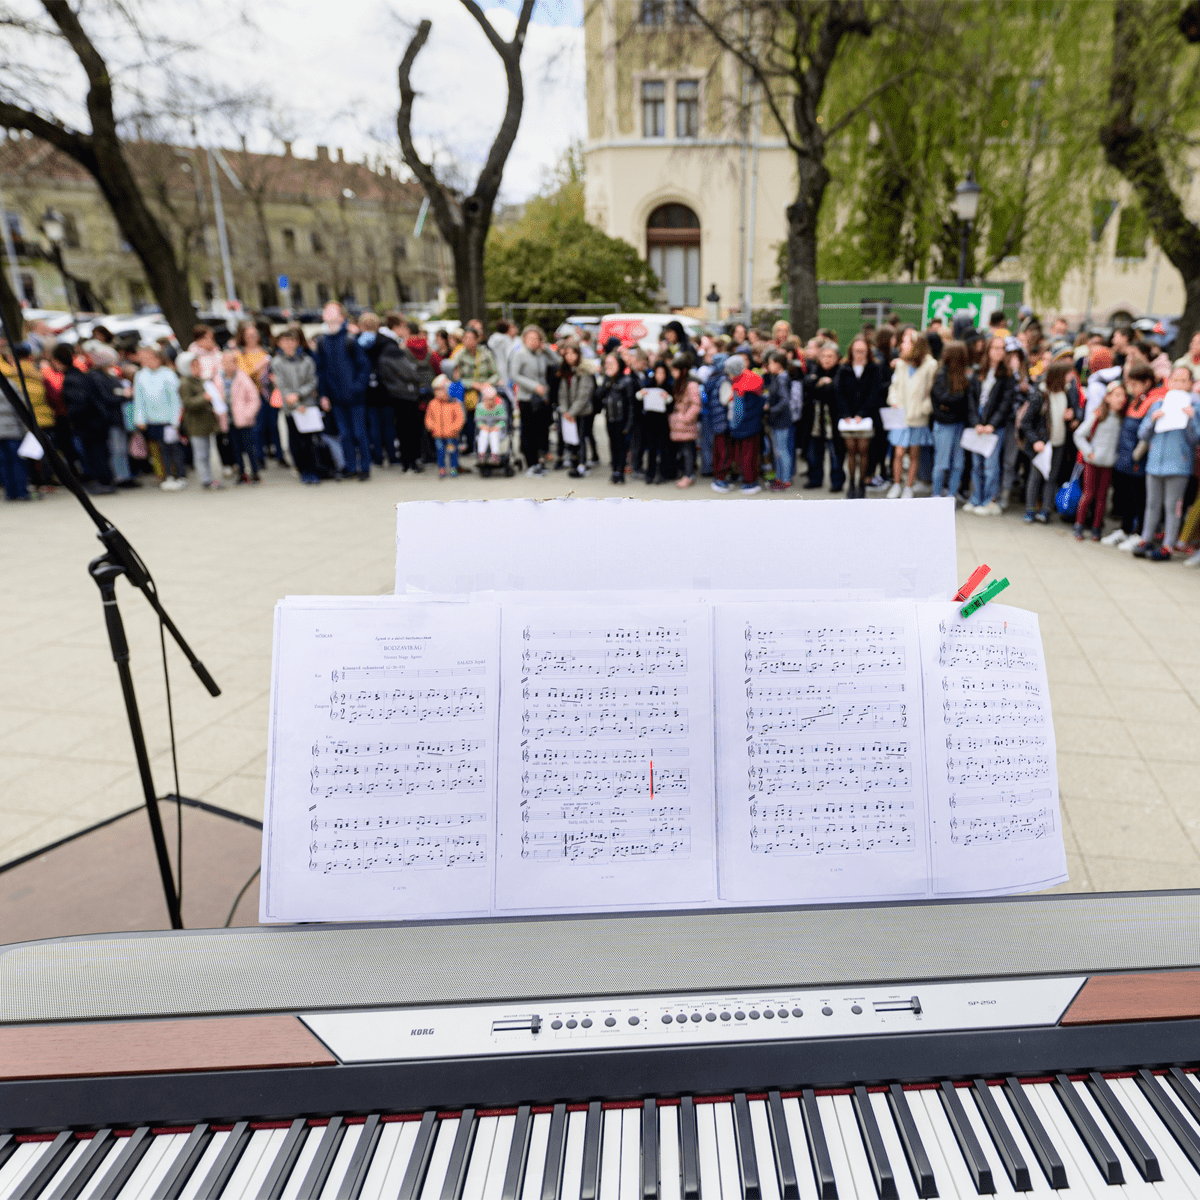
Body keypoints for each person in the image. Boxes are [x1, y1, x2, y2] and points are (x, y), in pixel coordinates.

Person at [1133, 366, 1200, 560]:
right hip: (1155, 463)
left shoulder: (1194, 408)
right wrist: (1153, 420)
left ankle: (1168, 545)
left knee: (1173, 507)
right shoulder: (1158, 404)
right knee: (1152, 504)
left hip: (1178, 466)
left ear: (1190, 384)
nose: (1178, 384)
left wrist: (1191, 420)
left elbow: (1195, 439)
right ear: (1169, 382)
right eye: (1175, 380)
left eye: (1183, 380)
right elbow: (1142, 434)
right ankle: (1146, 538)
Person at [315, 301, 371, 480]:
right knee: (345, 434)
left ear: (341, 317)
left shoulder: (350, 339)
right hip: (336, 397)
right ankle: (350, 466)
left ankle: (364, 467)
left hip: (355, 397)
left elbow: (364, 366)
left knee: (359, 433)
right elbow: (321, 370)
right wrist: (323, 394)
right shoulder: (322, 342)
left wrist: (357, 387)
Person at [1108, 361, 1158, 549]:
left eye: (1135, 384)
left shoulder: (1153, 401)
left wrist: (1136, 457)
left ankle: (1138, 533)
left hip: (1138, 460)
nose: (1131, 388)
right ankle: (1124, 529)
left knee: (1140, 500)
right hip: (1126, 459)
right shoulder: (1135, 400)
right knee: (1127, 497)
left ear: (1146, 382)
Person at [964, 336, 1015, 515]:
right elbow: (970, 399)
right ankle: (975, 498)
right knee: (976, 464)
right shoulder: (979, 372)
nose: (999, 352)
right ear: (988, 350)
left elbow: (1005, 404)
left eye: (1002, 349)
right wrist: (975, 423)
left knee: (991, 466)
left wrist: (991, 425)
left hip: (995, 427)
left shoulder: (1008, 376)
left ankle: (988, 501)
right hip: (977, 423)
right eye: (995, 348)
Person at [885, 330, 936, 499]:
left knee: (914, 454)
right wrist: (893, 402)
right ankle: (897, 484)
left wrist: (923, 409)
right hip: (900, 414)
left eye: (906, 341)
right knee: (898, 453)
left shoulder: (930, 365)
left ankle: (909, 487)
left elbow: (931, 392)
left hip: (918, 417)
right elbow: (894, 387)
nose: (901, 345)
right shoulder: (901, 364)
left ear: (916, 344)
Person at [1073, 380, 1126, 541]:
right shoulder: (1098, 415)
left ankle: (1097, 527)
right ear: (1108, 397)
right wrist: (1089, 452)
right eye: (1117, 395)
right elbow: (1079, 434)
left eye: (1123, 396)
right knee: (1088, 495)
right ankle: (1079, 525)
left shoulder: (1121, 419)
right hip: (1093, 461)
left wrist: (1115, 457)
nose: (1120, 399)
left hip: (1108, 464)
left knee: (1102, 498)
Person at [835, 335, 884, 499]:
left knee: (863, 451)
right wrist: (847, 414)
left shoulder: (873, 368)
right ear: (851, 351)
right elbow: (839, 392)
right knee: (851, 451)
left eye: (863, 351)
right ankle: (851, 483)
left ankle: (862, 483)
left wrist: (862, 414)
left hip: (866, 417)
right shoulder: (844, 368)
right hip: (848, 417)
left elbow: (874, 393)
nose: (859, 354)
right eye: (856, 351)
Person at [131, 343, 185, 490]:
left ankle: (180, 475)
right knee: (160, 450)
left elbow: (175, 400)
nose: (148, 361)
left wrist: (175, 420)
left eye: (150, 358)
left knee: (174, 448)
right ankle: (167, 476)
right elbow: (139, 399)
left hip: (168, 420)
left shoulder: (168, 374)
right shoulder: (141, 375)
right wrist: (140, 418)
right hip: (153, 420)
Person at [272, 327, 321, 484]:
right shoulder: (277, 362)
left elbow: (312, 381)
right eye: (285, 341)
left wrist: (299, 396)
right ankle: (302, 470)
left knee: (309, 441)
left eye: (291, 340)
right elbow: (282, 385)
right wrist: (295, 403)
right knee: (295, 441)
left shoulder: (307, 360)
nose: (288, 344)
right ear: (279, 343)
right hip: (291, 408)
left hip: (307, 406)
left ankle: (313, 469)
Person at [928, 339, 976, 502]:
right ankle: (936, 495)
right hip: (944, 425)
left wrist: (951, 404)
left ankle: (950, 496)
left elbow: (949, 402)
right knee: (942, 463)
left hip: (958, 424)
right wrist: (959, 399)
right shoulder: (942, 374)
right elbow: (943, 399)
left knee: (958, 464)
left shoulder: (964, 376)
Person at [510, 325, 560, 475]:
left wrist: (546, 349)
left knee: (540, 432)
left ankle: (538, 462)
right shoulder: (519, 355)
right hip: (527, 399)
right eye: (530, 338)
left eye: (536, 339)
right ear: (524, 339)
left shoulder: (540, 355)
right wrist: (534, 386)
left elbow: (558, 361)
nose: (533, 341)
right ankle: (530, 463)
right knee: (528, 432)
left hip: (541, 399)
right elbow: (514, 375)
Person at [377, 314, 424, 473]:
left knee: (402, 429)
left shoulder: (384, 343)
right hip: (403, 393)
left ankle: (407, 461)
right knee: (408, 429)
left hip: (394, 392)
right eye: (403, 326)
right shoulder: (390, 346)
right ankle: (409, 462)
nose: (406, 330)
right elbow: (408, 372)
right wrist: (415, 377)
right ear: (396, 327)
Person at [176, 351, 222, 491]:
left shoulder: (200, 380)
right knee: (201, 453)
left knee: (207, 452)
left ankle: (209, 478)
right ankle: (206, 480)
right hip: (195, 424)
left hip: (206, 422)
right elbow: (188, 403)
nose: (198, 368)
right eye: (193, 365)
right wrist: (204, 398)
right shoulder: (185, 383)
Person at [357, 313, 397, 468]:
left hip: (369, 391)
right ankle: (392, 455)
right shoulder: (388, 341)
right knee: (389, 425)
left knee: (374, 426)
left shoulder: (358, 343)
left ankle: (378, 456)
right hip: (387, 389)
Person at [455, 326, 500, 459]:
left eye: (470, 338)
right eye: (465, 338)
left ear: (477, 339)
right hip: (468, 393)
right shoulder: (459, 356)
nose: (468, 341)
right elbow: (455, 376)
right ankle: (472, 445)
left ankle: (489, 447)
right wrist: (471, 384)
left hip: (485, 392)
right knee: (469, 421)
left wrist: (486, 384)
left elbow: (496, 374)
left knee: (486, 418)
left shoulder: (485, 354)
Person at [236, 320, 276, 469]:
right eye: (249, 335)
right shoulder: (241, 353)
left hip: (268, 392)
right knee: (257, 427)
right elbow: (245, 373)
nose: (252, 337)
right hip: (252, 394)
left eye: (254, 335)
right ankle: (259, 456)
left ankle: (276, 453)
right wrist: (260, 365)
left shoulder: (265, 351)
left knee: (273, 425)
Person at [220, 347, 262, 485]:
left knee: (249, 447)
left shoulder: (242, 377)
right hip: (229, 420)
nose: (227, 365)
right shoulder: (218, 378)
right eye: (224, 362)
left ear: (235, 363)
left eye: (230, 362)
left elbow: (254, 398)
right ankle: (241, 473)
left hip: (243, 419)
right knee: (235, 448)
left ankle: (255, 472)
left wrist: (248, 414)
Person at [557, 341, 594, 478]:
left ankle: (582, 464)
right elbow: (562, 393)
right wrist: (565, 411)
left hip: (582, 412)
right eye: (567, 353)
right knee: (571, 439)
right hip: (568, 413)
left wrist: (572, 412)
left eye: (573, 353)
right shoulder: (565, 372)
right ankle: (573, 461)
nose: (570, 356)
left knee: (581, 437)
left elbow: (583, 395)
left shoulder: (584, 371)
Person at [595, 353, 633, 485]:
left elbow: (630, 405)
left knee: (621, 446)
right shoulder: (607, 381)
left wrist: (628, 425)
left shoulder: (626, 381)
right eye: (607, 364)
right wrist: (605, 380)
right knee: (612, 445)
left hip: (622, 420)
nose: (609, 366)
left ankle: (620, 471)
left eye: (612, 363)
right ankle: (614, 470)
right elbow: (598, 396)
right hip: (610, 418)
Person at [636, 360, 673, 486]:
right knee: (651, 450)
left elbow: (671, 405)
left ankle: (663, 473)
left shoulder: (668, 387)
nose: (660, 375)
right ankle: (650, 473)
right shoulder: (649, 385)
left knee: (663, 449)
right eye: (658, 372)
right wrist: (641, 395)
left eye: (662, 373)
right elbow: (639, 400)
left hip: (663, 423)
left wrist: (667, 398)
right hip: (650, 423)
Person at [668, 352, 701, 488]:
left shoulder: (691, 385)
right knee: (683, 451)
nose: (673, 373)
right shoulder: (678, 384)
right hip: (678, 425)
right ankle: (685, 473)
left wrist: (684, 418)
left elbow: (696, 404)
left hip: (686, 424)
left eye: (675, 370)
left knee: (688, 451)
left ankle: (689, 475)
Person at [763, 350, 794, 491]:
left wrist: (771, 409)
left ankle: (785, 479)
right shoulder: (778, 377)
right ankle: (779, 478)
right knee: (778, 451)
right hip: (777, 420)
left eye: (770, 363)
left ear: (778, 364)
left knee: (782, 451)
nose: (768, 366)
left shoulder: (782, 379)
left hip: (781, 420)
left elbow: (785, 400)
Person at [425, 374, 464, 477]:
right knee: (440, 452)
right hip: (438, 435)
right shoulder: (432, 404)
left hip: (451, 435)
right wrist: (431, 427)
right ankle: (441, 468)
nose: (437, 392)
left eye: (440, 389)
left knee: (452, 452)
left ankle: (453, 467)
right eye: (436, 390)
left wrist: (455, 428)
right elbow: (429, 417)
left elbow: (459, 418)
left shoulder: (454, 403)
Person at [475, 385, 508, 464]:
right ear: (484, 399)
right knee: (483, 434)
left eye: (492, 400)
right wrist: (482, 426)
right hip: (485, 429)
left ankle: (494, 454)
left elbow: (503, 421)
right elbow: (478, 421)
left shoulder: (499, 407)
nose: (490, 402)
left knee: (494, 435)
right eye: (488, 400)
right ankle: (481, 454)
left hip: (497, 430)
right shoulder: (480, 408)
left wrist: (497, 426)